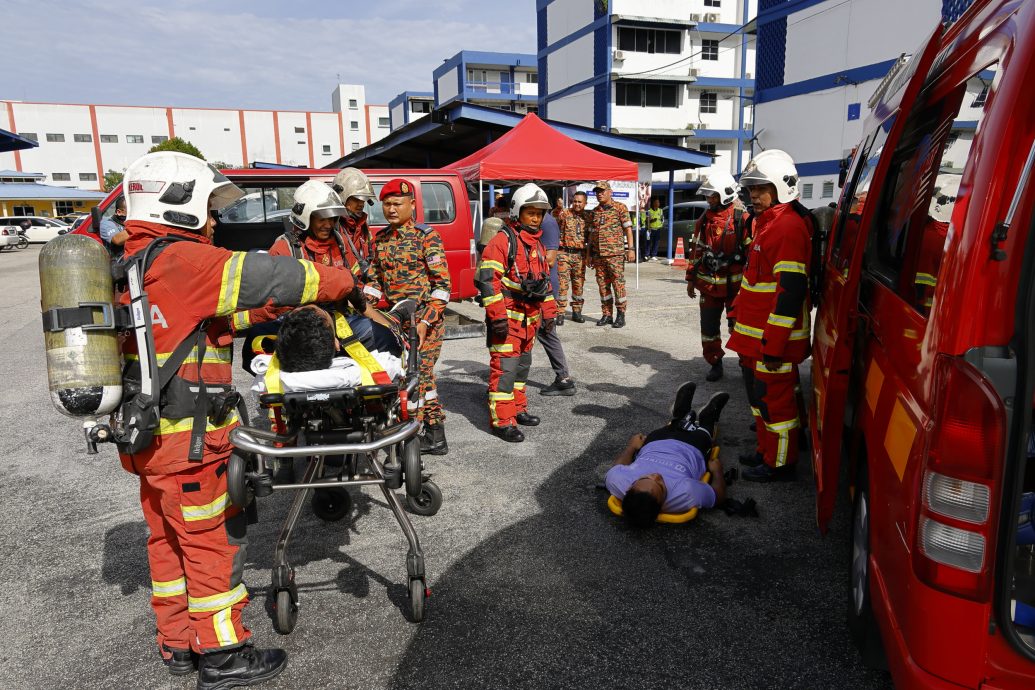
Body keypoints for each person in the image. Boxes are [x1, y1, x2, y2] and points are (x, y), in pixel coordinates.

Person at [117, 151, 358, 687]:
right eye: (208, 207)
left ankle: (178, 643)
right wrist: (340, 282)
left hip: (149, 441)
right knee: (211, 543)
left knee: (166, 539)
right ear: (176, 203)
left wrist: (266, 313)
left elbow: (202, 323)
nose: (215, 220)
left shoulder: (135, 262)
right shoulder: (184, 260)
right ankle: (224, 652)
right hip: (191, 443)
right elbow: (276, 273)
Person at [726, 150, 813, 483]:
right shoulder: (765, 225)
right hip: (755, 338)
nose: (753, 196)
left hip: (772, 341)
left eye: (761, 189)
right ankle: (765, 451)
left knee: (776, 406)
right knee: (761, 401)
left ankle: (780, 463)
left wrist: (774, 344)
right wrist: (736, 314)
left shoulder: (787, 228)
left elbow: (790, 294)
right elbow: (754, 283)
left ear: (782, 187)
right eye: (750, 190)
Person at [369, 178, 452, 455]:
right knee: (404, 376)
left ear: (412, 205)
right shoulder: (379, 240)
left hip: (426, 322)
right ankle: (430, 434)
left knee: (421, 376)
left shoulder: (426, 236)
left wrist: (427, 320)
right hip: (395, 322)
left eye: (397, 204)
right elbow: (375, 281)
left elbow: (442, 286)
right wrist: (364, 305)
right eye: (387, 204)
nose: (391, 209)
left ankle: (417, 437)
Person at [474, 182, 558, 441]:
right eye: (530, 212)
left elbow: (544, 282)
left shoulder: (537, 245)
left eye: (539, 213)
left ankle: (518, 409)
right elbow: (488, 280)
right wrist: (497, 318)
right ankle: (502, 421)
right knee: (505, 371)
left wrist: (551, 313)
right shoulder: (503, 241)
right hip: (508, 321)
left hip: (529, 321)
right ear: (517, 212)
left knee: (521, 370)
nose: (535, 217)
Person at [606, 383, 729, 528]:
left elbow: (617, 468)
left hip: (656, 442)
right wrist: (717, 472)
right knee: (704, 434)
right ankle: (707, 419)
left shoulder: (618, 482)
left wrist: (631, 446)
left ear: (628, 489)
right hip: (691, 448)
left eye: (646, 478)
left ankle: (680, 415)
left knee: (671, 427)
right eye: (660, 485)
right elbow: (718, 496)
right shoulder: (686, 493)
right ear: (663, 505)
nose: (656, 475)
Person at [686, 173, 751, 382]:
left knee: (740, 328)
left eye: (713, 195)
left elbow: (753, 254)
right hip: (708, 285)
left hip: (736, 287)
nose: (709, 200)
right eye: (708, 196)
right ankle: (715, 362)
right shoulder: (704, 219)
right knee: (709, 329)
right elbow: (696, 250)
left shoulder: (743, 218)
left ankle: (746, 364)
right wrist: (690, 279)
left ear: (726, 194)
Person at [536, 203, 577, 396]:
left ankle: (563, 378)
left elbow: (550, 259)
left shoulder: (549, 223)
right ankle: (563, 378)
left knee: (546, 332)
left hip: (544, 289)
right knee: (541, 333)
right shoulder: (538, 221)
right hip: (537, 287)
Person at [589, 180, 634, 328]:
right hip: (598, 255)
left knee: (618, 284)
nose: (599, 194)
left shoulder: (620, 208)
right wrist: (590, 254)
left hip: (615, 254)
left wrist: (631, 249)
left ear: (610, 192)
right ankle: (607, 314)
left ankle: (621, 315)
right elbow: (591, 235)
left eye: (602, 191)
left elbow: (628, 229)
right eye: (597, 192)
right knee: (602, 285)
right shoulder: (595, 211)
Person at [331, 167, 378, 284]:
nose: (361, 204)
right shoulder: (332, 227)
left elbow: (372, 251)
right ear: (342, 198)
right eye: (357, 198)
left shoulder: (362, 224)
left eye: (364, 199)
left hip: (362, 286)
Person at [556, 191, 591, 323]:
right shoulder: (564, 214)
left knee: (578, 285)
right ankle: (560, 313)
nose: (576, 204)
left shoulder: (588, 217)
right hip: (564, 254)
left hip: (580, 255)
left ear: (585, 203)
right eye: (575, 201)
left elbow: (590, 239)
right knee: (562, 285)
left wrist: (589, 256)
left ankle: (577, 312)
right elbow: (556, 228)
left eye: (579, 202)